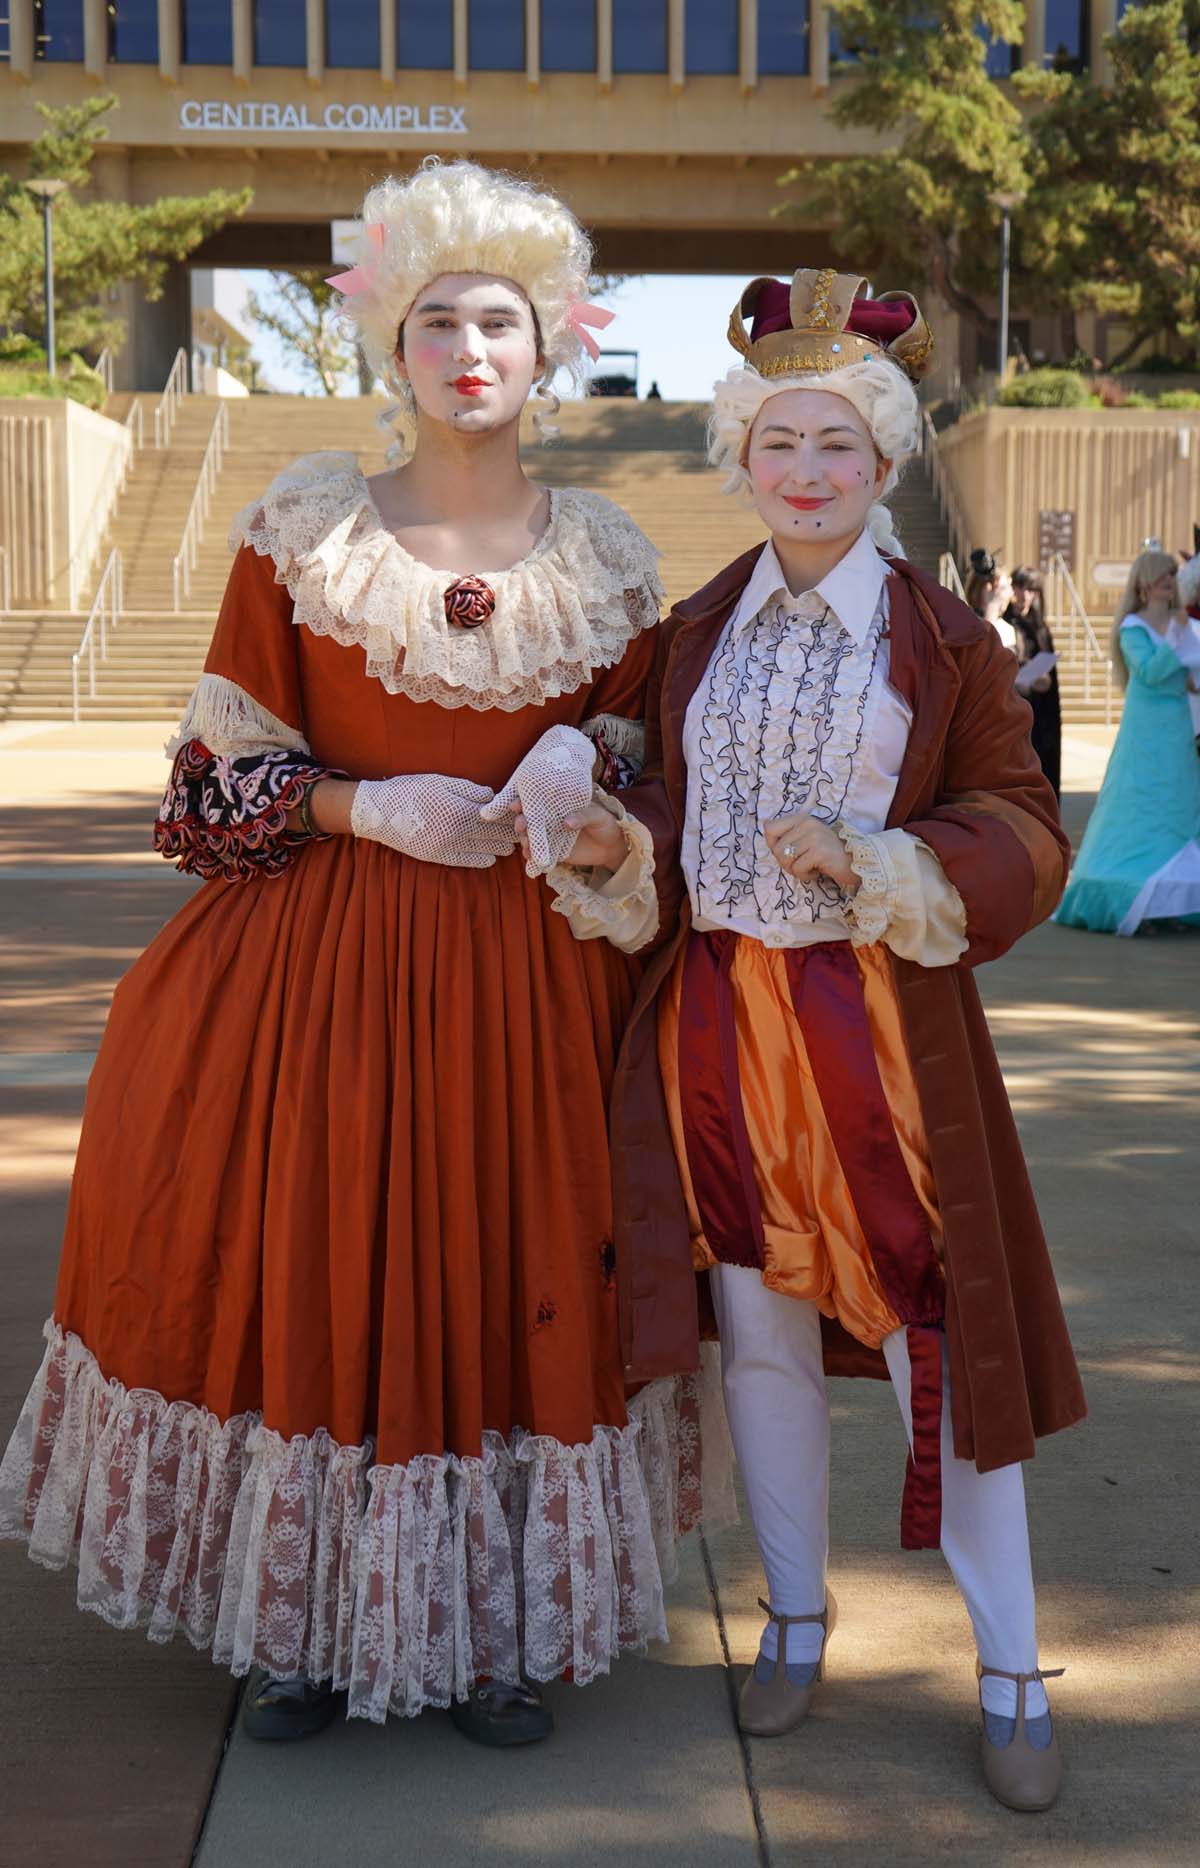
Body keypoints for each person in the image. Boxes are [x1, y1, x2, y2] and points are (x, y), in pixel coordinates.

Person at [0, 159, 728, 1747]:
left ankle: (493, 1630)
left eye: (503, 324)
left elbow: (646, 765)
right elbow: (202, 797)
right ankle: (303, 1624)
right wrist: (352, 802)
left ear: (553, 353)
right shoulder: (303, 534)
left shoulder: (610, 558)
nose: (471, 350)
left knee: (512, 1273)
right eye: (438, 321)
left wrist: (590, 785)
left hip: (530, 988)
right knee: (323, 1262)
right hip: (321, 982)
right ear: (391, 350)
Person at [551, 267, 1085, 1811]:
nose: (805, 471)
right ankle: (794, 1615)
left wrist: (894, 861)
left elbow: (1025, 828)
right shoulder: (694, 627)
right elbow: (658, 796)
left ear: (885, 460)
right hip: (718, 1024)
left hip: (882, 1035)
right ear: (739, 454)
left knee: (946, 1342)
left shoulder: (945, 637)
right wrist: (610, 845)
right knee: (764, 1336)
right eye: (779, 440)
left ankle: (1008, 1663)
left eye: (837, 444)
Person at [1056, 550, 1200, 933]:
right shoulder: (1132, 628)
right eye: (1162, 575)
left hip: (1178, 732)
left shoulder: (1178, 624)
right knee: (1139, 812)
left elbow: (1184, 677)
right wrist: (1178, 638)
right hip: (1145, 734)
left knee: (1176, 813)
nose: (1170, 581)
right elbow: (1151, 673)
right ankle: (1133, 900)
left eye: (1172, 574)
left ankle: (1169, 904)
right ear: (1144, 582)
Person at [1007, 566, 1061, 798]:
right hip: (1015, 712)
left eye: (1032, 590)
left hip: (1042, 714)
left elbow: (1050, 672)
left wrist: (1044, 680)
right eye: (1021, 588)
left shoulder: (1040, 628)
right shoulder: (1006, 622)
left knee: (1045, 773)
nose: (1026, 595)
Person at [965, 549, 1016, 650]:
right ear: (988, 588)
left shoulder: (1007, 629)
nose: (1011, 593)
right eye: (1005, 587)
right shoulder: (965, 626)